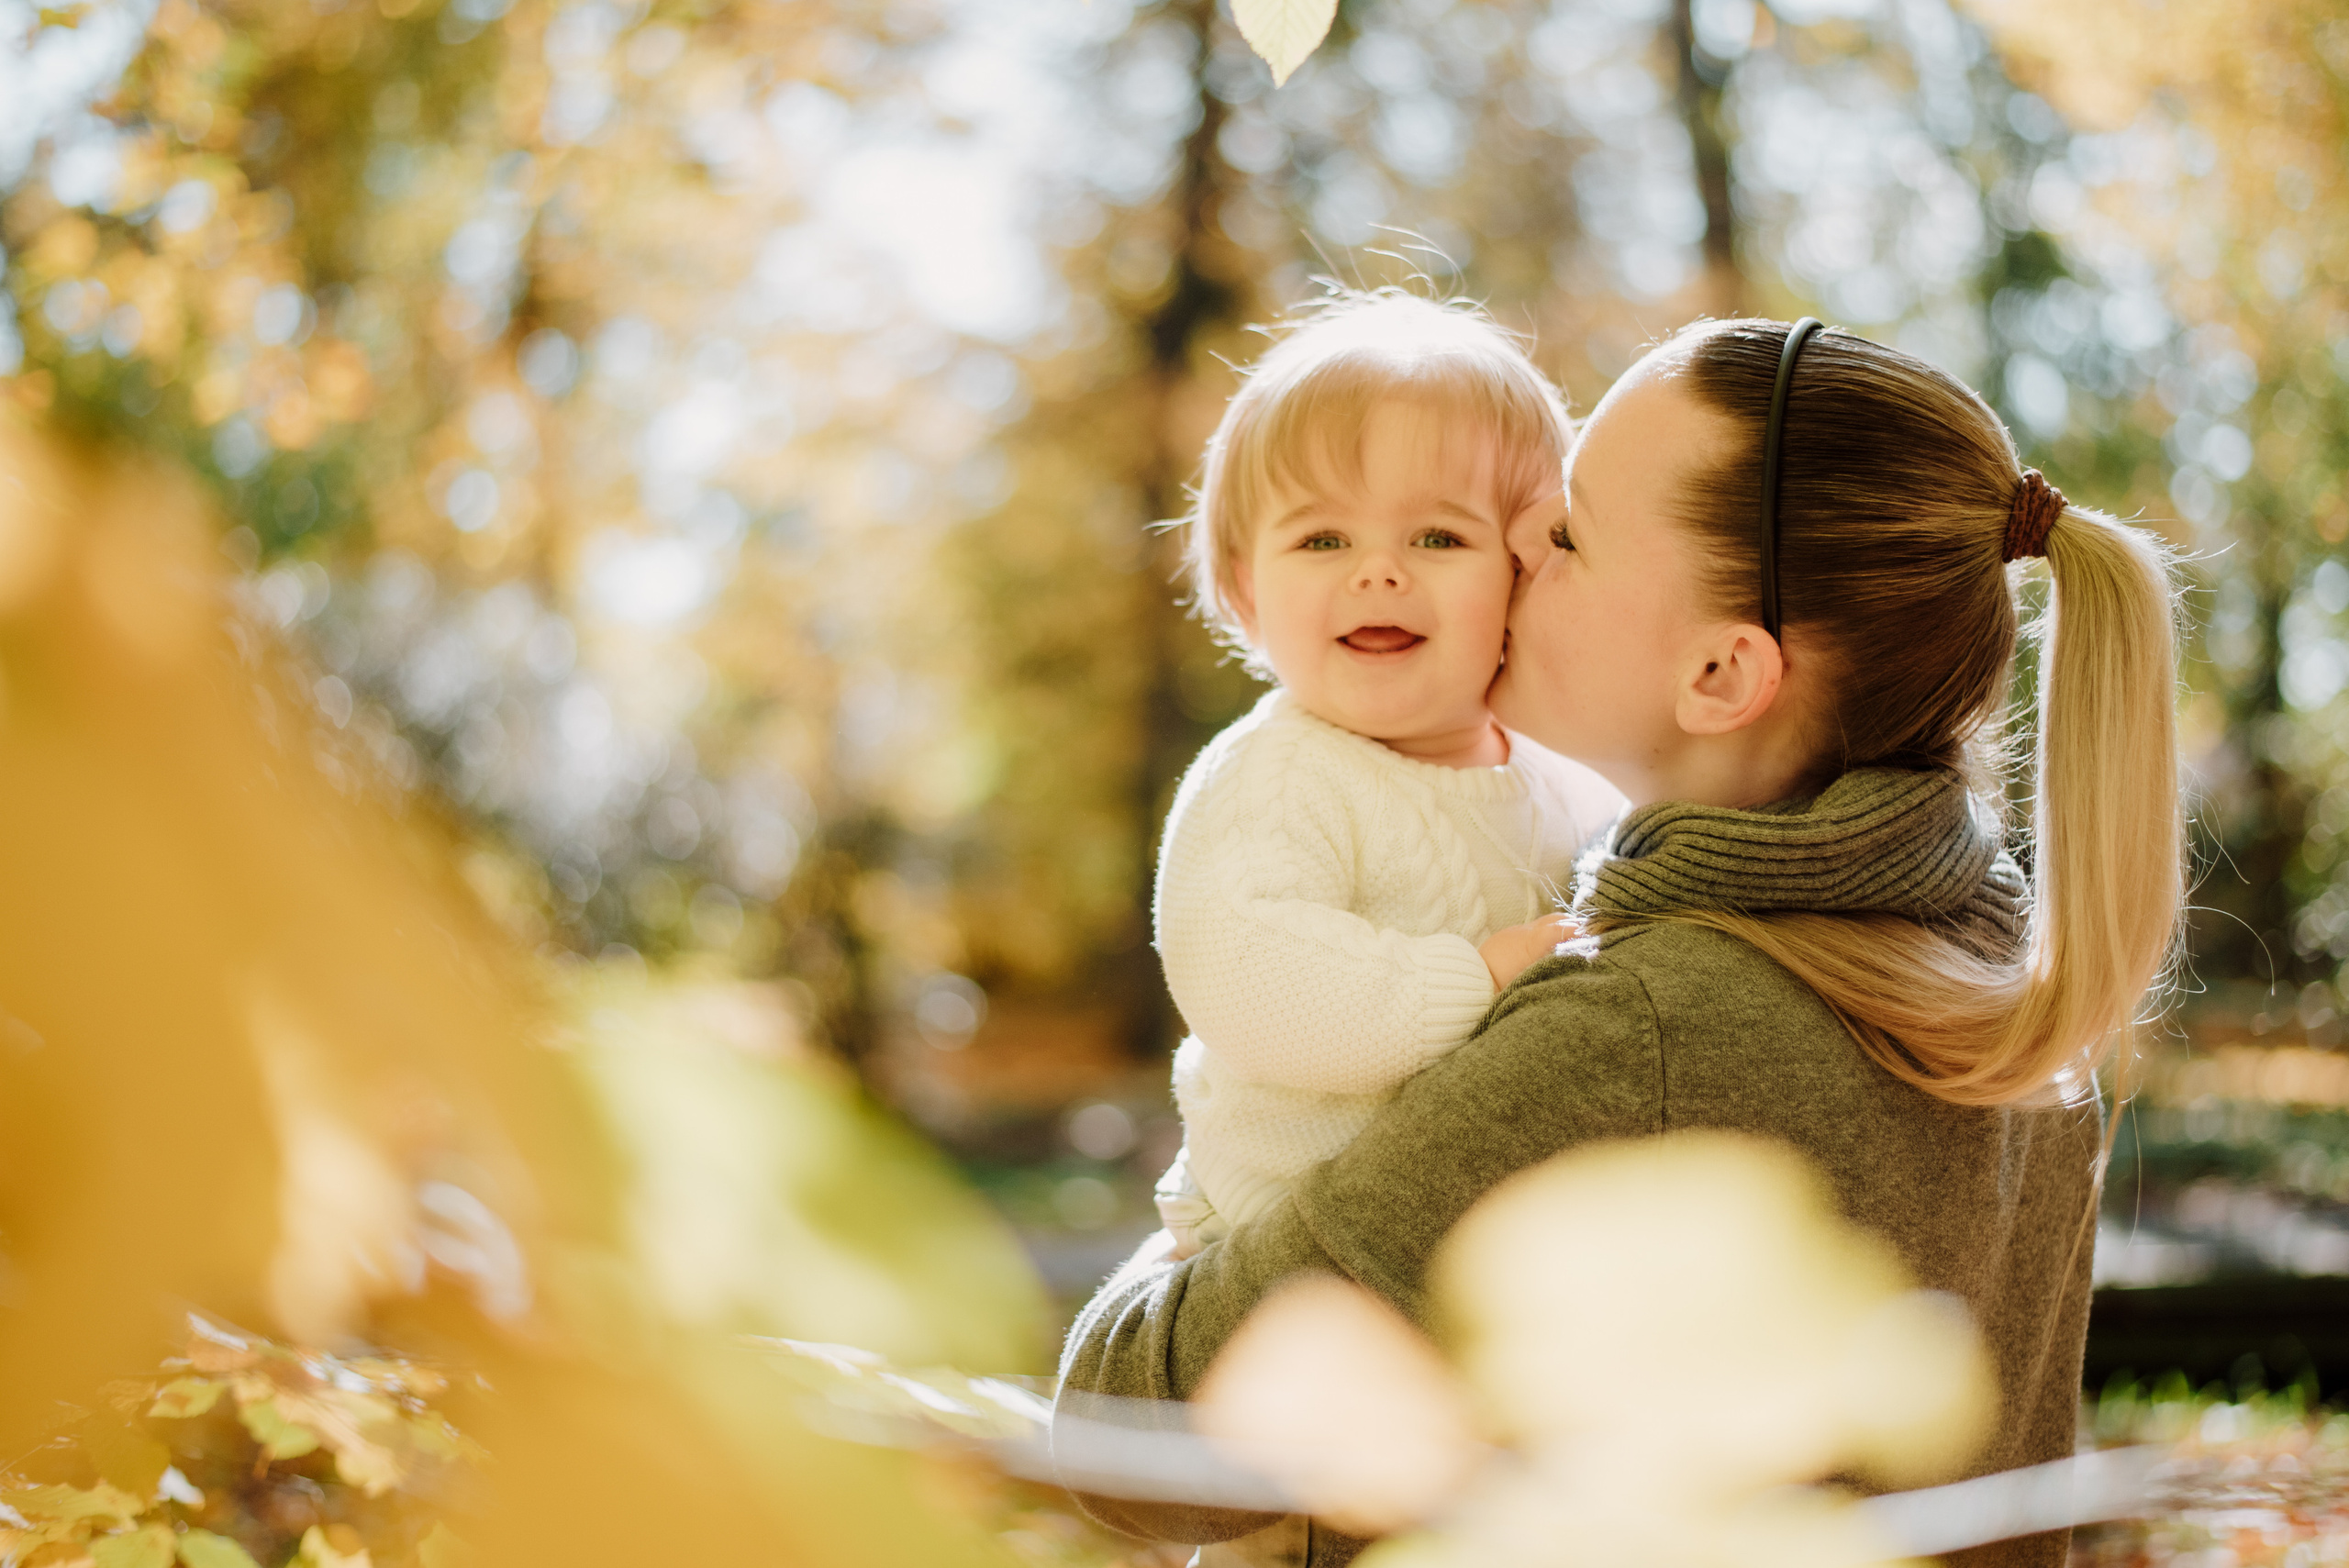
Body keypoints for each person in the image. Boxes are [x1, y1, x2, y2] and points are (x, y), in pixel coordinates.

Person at [1056, 317, 2183, 1568]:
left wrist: (1208, 1209)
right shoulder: (2005, 993)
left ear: (1718, 674)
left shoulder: (1641, 1027)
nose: (1518, 540)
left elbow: (1131, 1431)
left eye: (1572, 530)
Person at [1146, 289, 1619, 1266]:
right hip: (1275, 1238)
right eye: (1322, 538)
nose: (1378, 572)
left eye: (1438, 537)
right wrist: (1476, 976)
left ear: (1525, 575)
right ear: (1244, 588)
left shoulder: (1571, 781)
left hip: (1472, 1242)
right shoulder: (1277, 777)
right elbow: (1249, 973)